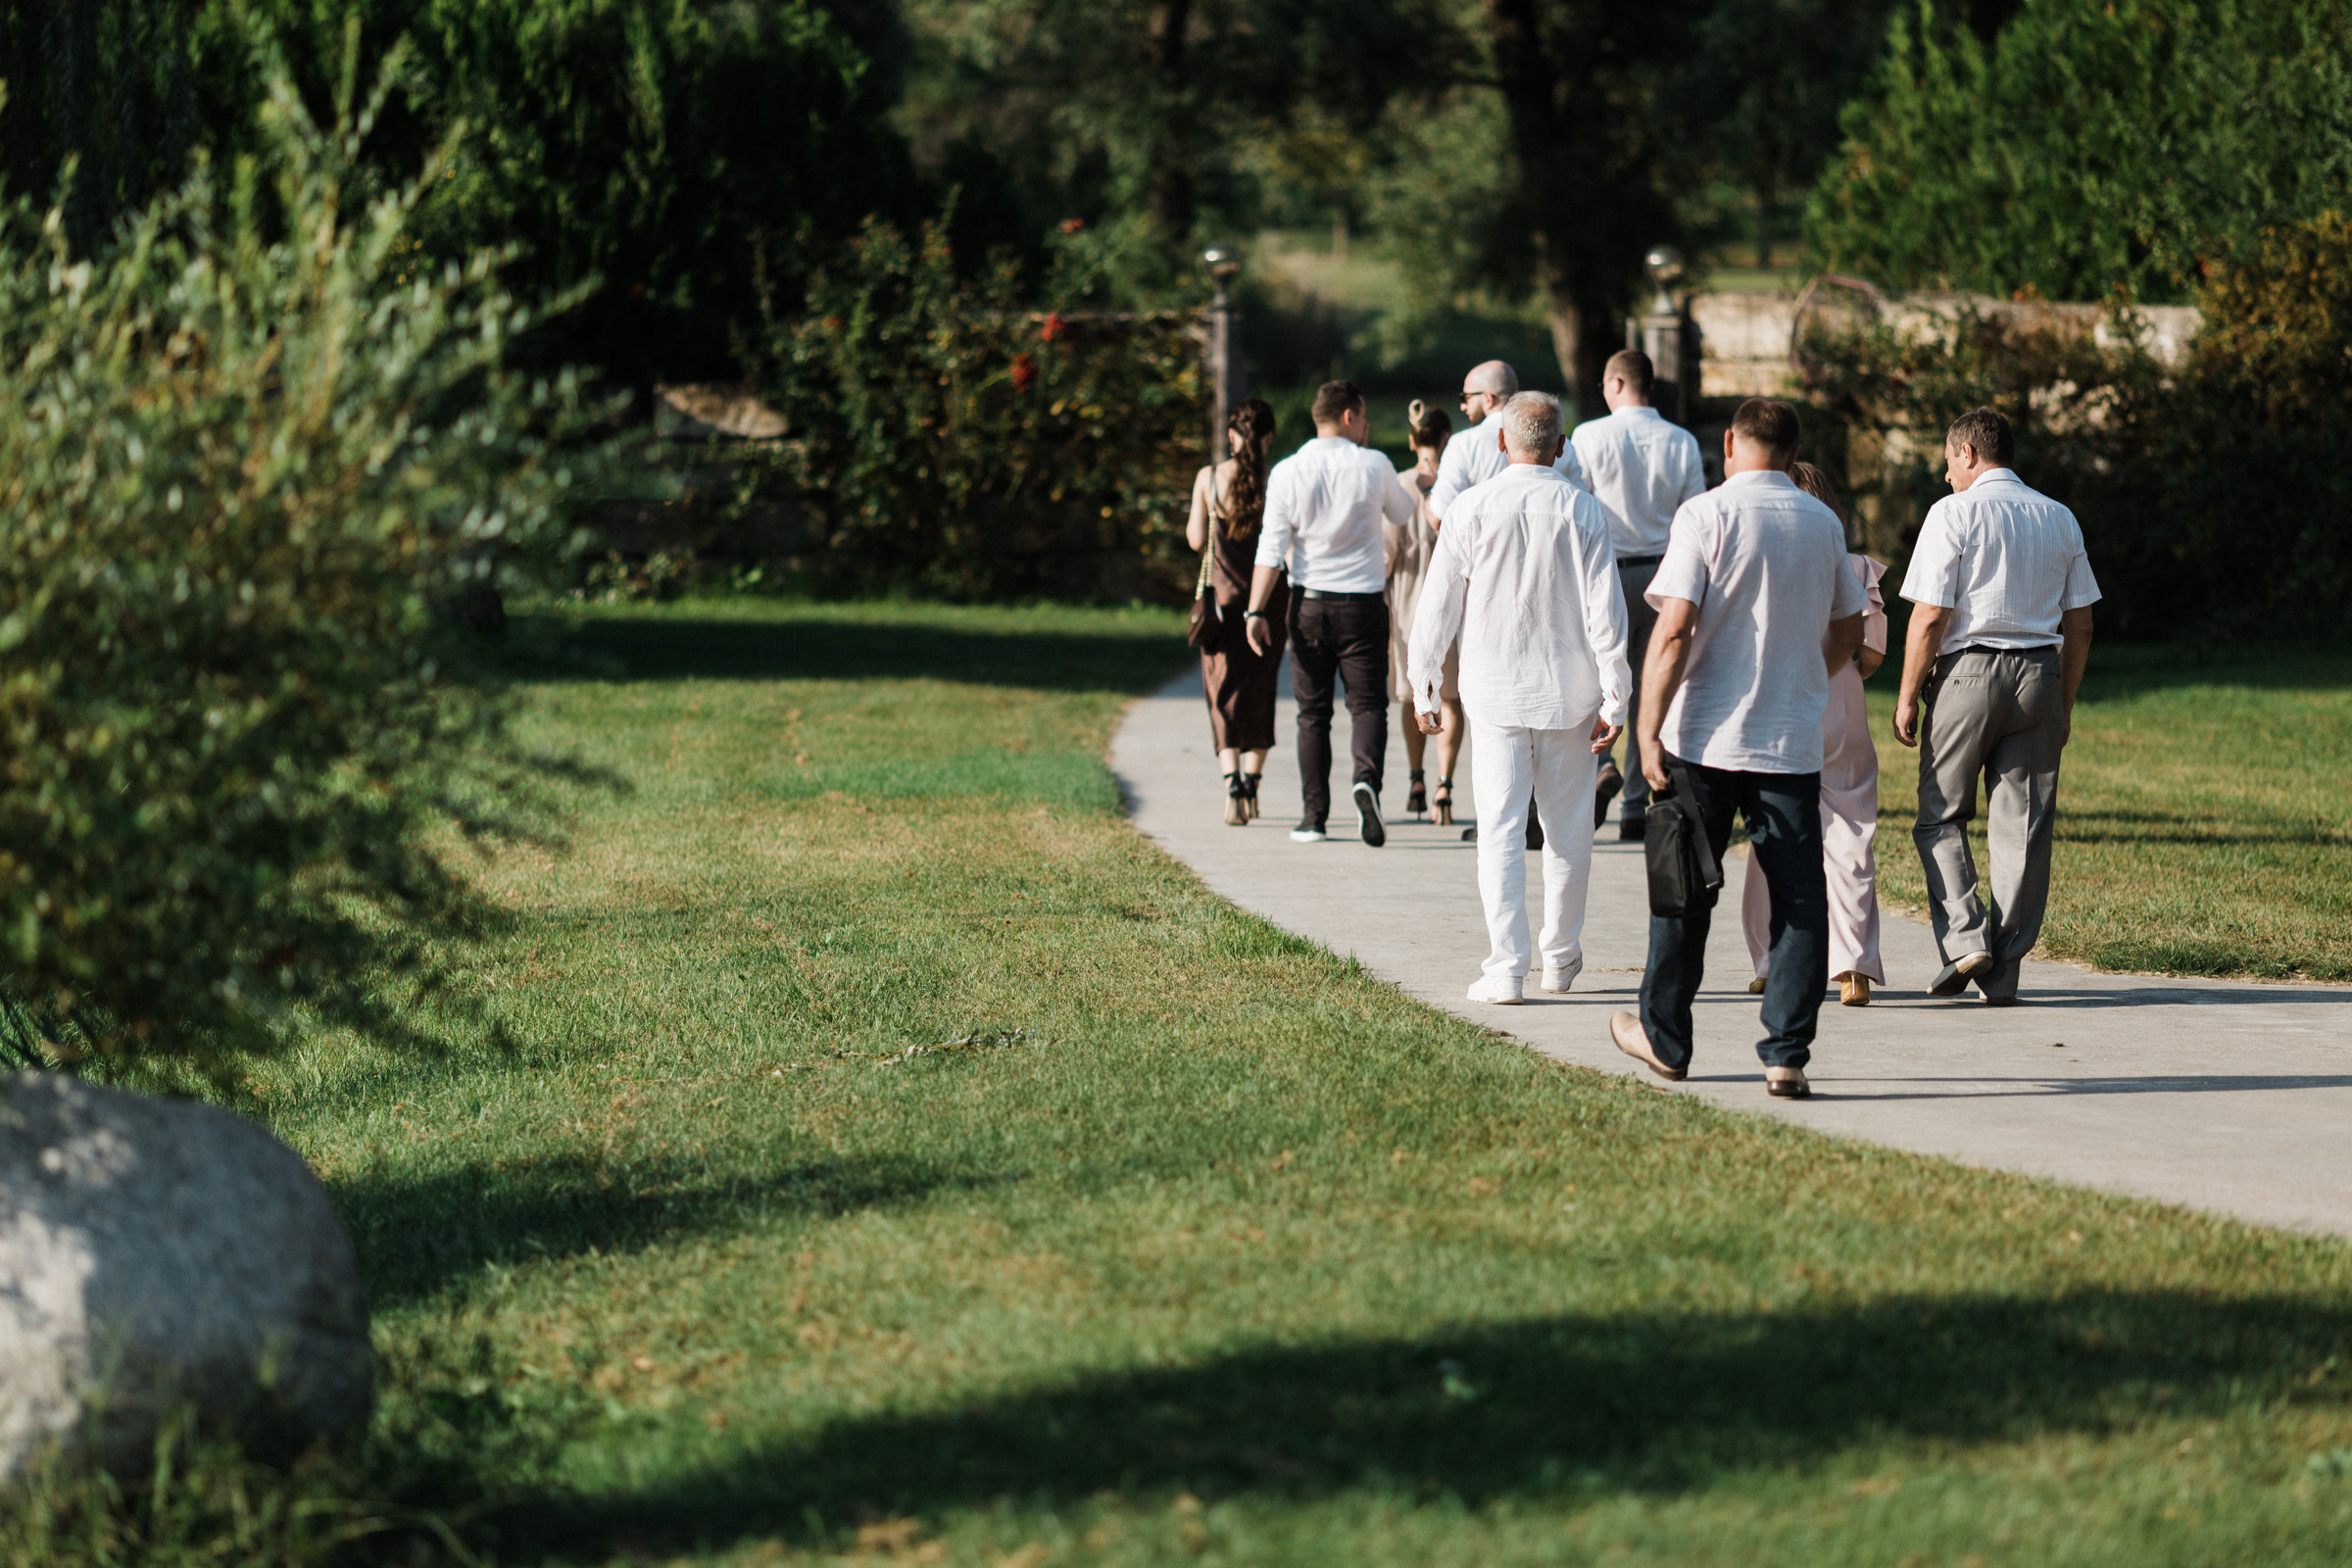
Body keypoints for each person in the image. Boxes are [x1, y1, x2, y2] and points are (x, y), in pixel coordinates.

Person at [1608, 398, 1867, 1101]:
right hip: (1788, 740)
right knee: (1799, 899)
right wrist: (1812, 665)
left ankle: (1666, 1040)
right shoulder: (1822, 522)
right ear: (1792, 452)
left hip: (1703, 737)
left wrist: (1646, 728)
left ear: (1728, 443)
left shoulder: (1706, 514)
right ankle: (1785, 1052)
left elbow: (1674, 629)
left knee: (1683, 891)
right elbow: (1851, 624)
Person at [1407, 393, 1628, 1004]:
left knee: (1499, 830)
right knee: (1569, 830)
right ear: (1561, 447)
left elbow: (1438, 603)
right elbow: (1605, 614)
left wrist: (1423, 678)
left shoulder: (1471, 507)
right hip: (1572, 691)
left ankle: (1507, 967)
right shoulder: (1583, 511)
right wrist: (1616, 694)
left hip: (1495, 688)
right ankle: (1560, 957)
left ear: (1501, 443)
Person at [1892, 406, 2099, 1005]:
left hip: (1967, 674)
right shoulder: (2059, 517)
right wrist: (2063, 701)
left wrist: (1909, 696)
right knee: (2025, 828)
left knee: (1940, 815)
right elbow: (2080, 624)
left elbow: (1930, 615)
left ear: (1968, 453)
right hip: (2040, 672)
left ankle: (1964, 940)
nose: (1946, 476)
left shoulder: (1952, 513)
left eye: (1948, 463)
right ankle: (2002, 970)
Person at [1741, 461, 1886, 1007]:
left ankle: (1770, 958)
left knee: (1772, 827)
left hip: (1777, 698)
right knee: (1850, 830)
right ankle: (1852, 966)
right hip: (1840, 696)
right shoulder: (1854, 566)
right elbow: (1870, 652)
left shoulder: (1763, 559)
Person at [1245, 379, 1416, 846]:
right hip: (1362, 605)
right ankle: (1367, 782)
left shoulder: (1287, 470)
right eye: (1363, 419)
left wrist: (1255, 611)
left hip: (1309, 605)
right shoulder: (1374, 465)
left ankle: (1313, 817)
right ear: (1348, 416)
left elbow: (1272, 547)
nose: (1365, 427)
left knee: (1312, 714)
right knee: (1367, 706)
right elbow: (1401, 514)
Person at [1570, 349, 1706, 840]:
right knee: (1650, 689)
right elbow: (1693, 512)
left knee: (1597, 679)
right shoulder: (1682, 441)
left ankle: (1597, 768)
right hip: (1664, 576)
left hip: (1605, 570)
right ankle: (1633, 805)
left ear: (1616, 382)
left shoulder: (1589, 436)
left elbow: (1577, 502)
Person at [1185, 399, 1286, 825]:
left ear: (1231, 435)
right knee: (1261, 691)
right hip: (1268, 605)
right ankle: (1252, 784)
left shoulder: (1209, 478)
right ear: (1267, 437)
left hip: (1222, 609)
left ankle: (1231, 784)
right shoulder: (1277, 480)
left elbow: (1194, 540)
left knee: (1221, 694)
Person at [1386, 399, 1466, 823]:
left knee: (1410, 694)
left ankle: (1415, 776)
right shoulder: (1458, 487)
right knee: (1451, 698)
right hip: (1454, 604)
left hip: (1407, 604)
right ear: (1447, 438)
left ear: (1412, 440)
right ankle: (1443, 786)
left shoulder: (1398, 487)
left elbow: (1385, 556)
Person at [1428, 360, 1590, 527]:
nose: (1462, 406)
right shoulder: (1562, 444)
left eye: (1466, 397)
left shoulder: (1464, 444)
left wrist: (1426, 498)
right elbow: (1580, 511)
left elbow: (1438, 517)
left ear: (1488, 398)